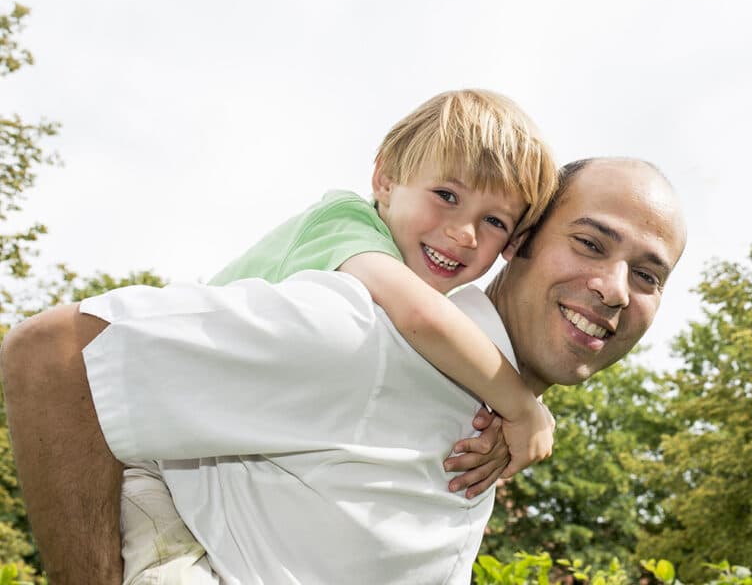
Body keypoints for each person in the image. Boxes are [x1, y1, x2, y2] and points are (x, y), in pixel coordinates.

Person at [1, 157, 687, 584]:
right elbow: (57, 353)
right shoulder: (374, 338)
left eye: (647, 274)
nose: (614, 288)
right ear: (520, 244)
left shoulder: (493, 421)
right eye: (590, 243)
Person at [118, 87, 561, 583]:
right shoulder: (347, 224)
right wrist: (523, 407)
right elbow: (422, 318)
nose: (464, 233)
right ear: (386, 180)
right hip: (154, 457)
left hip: (211, 472)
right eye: (447, 196)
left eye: (494, 221)